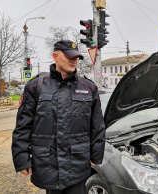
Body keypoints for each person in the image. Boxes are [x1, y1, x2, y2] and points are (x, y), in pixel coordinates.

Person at [11, 39, 106, 194]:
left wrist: (96, 155)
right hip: (48, 163)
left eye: (76, 57)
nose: (73, 60)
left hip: (78, 163)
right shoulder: (36, 86)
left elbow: (97, 126)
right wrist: (21, 157)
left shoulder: (88, 88)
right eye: (69, 56)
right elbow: (23, 125)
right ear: (55, 56)